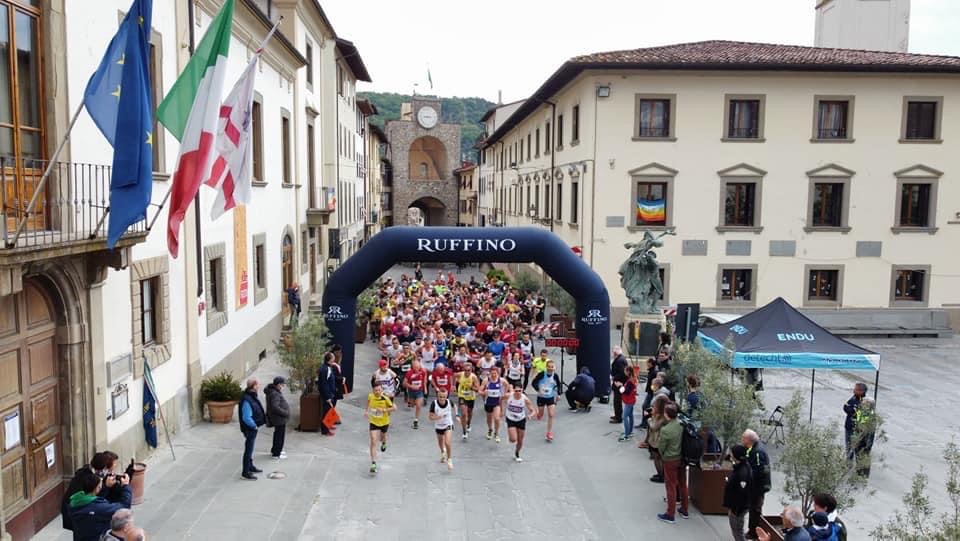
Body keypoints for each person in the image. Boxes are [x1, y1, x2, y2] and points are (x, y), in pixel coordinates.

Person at [62, 451, 126, 532]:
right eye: (109, 469)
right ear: (104, 467)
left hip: (79, 512)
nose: (111, 471)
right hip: (77, 514)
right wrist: (106, 487)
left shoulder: (93, 473)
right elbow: (94, 499)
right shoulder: (88, 479)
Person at [68, 469, 132, 541]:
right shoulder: (98, 508)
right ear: (97, 488)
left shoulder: (75, 501)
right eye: (100, 485)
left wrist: (106, 487)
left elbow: (93, 500)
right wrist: (126, 486)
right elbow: (124, 507)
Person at [656, 402, 689, 524]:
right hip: (682, 458)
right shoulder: (681, 424)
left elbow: (661, 447)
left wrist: (663, 456)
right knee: (682, 484)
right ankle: (684, 510)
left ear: (666, 414)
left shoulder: (666, 430)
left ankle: (670, 514)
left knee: (670, 486)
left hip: (670, 459)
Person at [743, 429, 772, 538]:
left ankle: (754, 533)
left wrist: (747, 476)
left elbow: (759, 471)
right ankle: (754, 530)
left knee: (755, 509)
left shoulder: (758, 452)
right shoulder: (753, 448)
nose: (742, 440)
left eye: (743, 438)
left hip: (758, 487)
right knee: (754, 508)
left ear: (748, 439)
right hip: (755, 486)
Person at [364, 380, 396, 474]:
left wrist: (384, 409)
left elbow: (394, 408)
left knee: (382, 438)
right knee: (373, 441)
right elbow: (369, 402)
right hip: (373, 421)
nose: (377, 392)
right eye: (375, 390)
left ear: (381, 390)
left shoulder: (385, 398)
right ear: (373, 390)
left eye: (379, 390)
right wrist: (366, 411)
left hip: (384, 422)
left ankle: (384, 443)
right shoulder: (371, 396)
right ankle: (373, 463)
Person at [724, 444, 753, 541]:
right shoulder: (740, 466)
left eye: (732, 454)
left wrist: (736, 509)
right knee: (736, 530)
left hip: (738, 508)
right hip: (736, 507)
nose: (730, 455)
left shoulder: (743, 472)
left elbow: (742, 493)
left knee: (737, 530)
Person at [239, 378, 266, 479]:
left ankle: (250, 467)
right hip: (250, 428)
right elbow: (246, 417)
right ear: (254, 386)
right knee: (248, 450)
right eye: (258, 384)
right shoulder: (247, 399)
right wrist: (254, 426)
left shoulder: (250, 396)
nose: (259, 386)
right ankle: (245, 472)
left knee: (250, 449)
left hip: (252, 428)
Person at [503, 384, 537, 462]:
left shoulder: (525, 399)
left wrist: (530, 415)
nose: (518, 392)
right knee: (513, 439)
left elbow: (533, 410)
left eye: (519, 391)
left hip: (521, 420)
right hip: (510, 419)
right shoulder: (509, 396)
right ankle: (511, 435)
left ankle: (517, 453)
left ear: (522, 390)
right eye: (516, 391)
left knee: (520, 440)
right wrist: (501, 409)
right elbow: (499, 399)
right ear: (514, 390)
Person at [533, 360, 562, 442]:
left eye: (552, 367)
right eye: (549, 367)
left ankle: (549, 433)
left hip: (550, 397)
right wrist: (538, 389)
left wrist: (559, 394)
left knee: (551, 415)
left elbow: (559, 385)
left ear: (554, 368)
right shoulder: (542, 374)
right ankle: (539, 414)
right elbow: (533, 382)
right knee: (541, 414)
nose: (550, 368)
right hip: (541, 397)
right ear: (546, 367)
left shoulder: (555, 375)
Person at [642, 394, 669, 482]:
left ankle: (661, 476)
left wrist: (649, 418)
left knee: (657, 458)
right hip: (656, 439)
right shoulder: (662, 414)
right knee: (657, 458)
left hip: (657, 441)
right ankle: (660, 474)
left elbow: (654, 426)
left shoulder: (663, 417)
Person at [428, 387, 456, 471]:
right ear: (437, 396)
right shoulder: (434, 404)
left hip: (448, 424)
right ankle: (443, 452)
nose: (442, 399)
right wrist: (437, 417)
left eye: (444, 397)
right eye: (440, 397)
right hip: (439, 426)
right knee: (440, 443)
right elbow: (430, 417)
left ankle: (449, 459)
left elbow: (455, 406)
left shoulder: (449, 402)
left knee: (447, 442)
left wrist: (457, 414)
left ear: (446, 396)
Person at [264, 376, 290, 460]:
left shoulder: (272, 391)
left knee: (277, 434)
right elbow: (275, 407)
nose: (283, 386)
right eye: (282, 384)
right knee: (279, 435)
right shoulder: (275, 393)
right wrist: (285, 413)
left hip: (277, 418)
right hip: (279, 418)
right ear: (278, 384)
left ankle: (276, 450)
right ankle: (276, 453)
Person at [479, 366, 505, 443]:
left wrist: (503, 394)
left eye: (495, 373)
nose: (493, 375)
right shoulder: (486, 381)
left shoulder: (501, 380)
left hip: (497, 402)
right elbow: (479, 391)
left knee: (497, 418)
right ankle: (490, 429)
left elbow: (508, 385)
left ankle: (496, 433)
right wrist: (484, 392)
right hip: (488, 402)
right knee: (489, 418)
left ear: (498, 373)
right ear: (489, 373)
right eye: (492, 373)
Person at [852, 397, 877, 478]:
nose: (862, 404)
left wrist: (867, 445)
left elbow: (871, 432)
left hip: (865, 441)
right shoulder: (861, 412)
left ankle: (864, 476)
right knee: (858, 457)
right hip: (858, 439)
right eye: (863, 403)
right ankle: (858, 474)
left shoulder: (871, 416)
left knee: (864, 457)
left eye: (865, 403)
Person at [842, 383, 867, 459]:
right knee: (848, 448)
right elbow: (845, 406)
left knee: (857, 450)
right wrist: (852, 410)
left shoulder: (865, 402)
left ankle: (857, 467)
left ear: (861, 391)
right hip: (849, 427)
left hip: (857, 429)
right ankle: (848, 465)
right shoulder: (853, 398)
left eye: (855, 389)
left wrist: (852, 411)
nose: (853, 390)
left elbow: (860, 414)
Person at [456, 362, 480, 440]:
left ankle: (468, 424)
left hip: (470, 397)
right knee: (463, 414)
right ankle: (464, 432)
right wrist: (453, 385)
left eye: (468, 370)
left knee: (469, 413)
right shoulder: (460, 374)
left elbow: (477, 389)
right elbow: (453, 376)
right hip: (462, 396)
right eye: (465, 370)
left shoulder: (474, 377)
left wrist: (472, 387)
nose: (467, 372)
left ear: (471, 370)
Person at [404, 358, 428, 429]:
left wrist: (425, 388)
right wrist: (411, 386)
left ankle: (416, 420)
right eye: (416, 367)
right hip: (411, 391)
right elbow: (404, 383)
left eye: (418, 367)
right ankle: (411, 402)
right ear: (413, 367)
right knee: (412, 404)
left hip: (419, 391)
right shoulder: (409, 373)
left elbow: (424, 380)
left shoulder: (422, 371)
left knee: (418, 405)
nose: (417, 368)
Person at [317, 353, 338, 436]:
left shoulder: (328, 367)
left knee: (330, 410)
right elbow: (323, 384)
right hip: (328, 394)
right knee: (326, 412)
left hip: (331, 393)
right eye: (333, 357)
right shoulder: (325, 369)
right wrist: (327, 397)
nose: (334, 358)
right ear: (330, 359)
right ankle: (325, 430)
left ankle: (329, 425)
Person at [617, 366, 638, 442]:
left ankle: (627, 435)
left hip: (629, 401)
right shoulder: (633, 379)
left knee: (624, 416)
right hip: (631, 400)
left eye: (625, 371)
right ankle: (630, 431)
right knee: (630, 415)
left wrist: (620, 386)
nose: (624, 372)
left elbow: (627, 391)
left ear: (628, 371)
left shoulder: (630, 381)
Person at [610, 346, 628, 424]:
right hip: (619, 383)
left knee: (617, 401)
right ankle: (617, 415)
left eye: (613, 353)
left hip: (619, 383)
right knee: (617, 401)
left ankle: (618, 417)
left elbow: (622, 373)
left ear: (615, 353)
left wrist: (614, 377)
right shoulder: (621, 359)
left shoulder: (619, 361)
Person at [639, 357, 657, 429]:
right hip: (650, 392)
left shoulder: (654, 372)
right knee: (646, 407)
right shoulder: (651, 371)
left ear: (650, 363)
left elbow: (654, 383)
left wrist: (652, 389)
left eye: (647, 363)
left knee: (646, 407)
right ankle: (645, 423)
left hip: (651, 393)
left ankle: (645, 423)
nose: (646, 364)